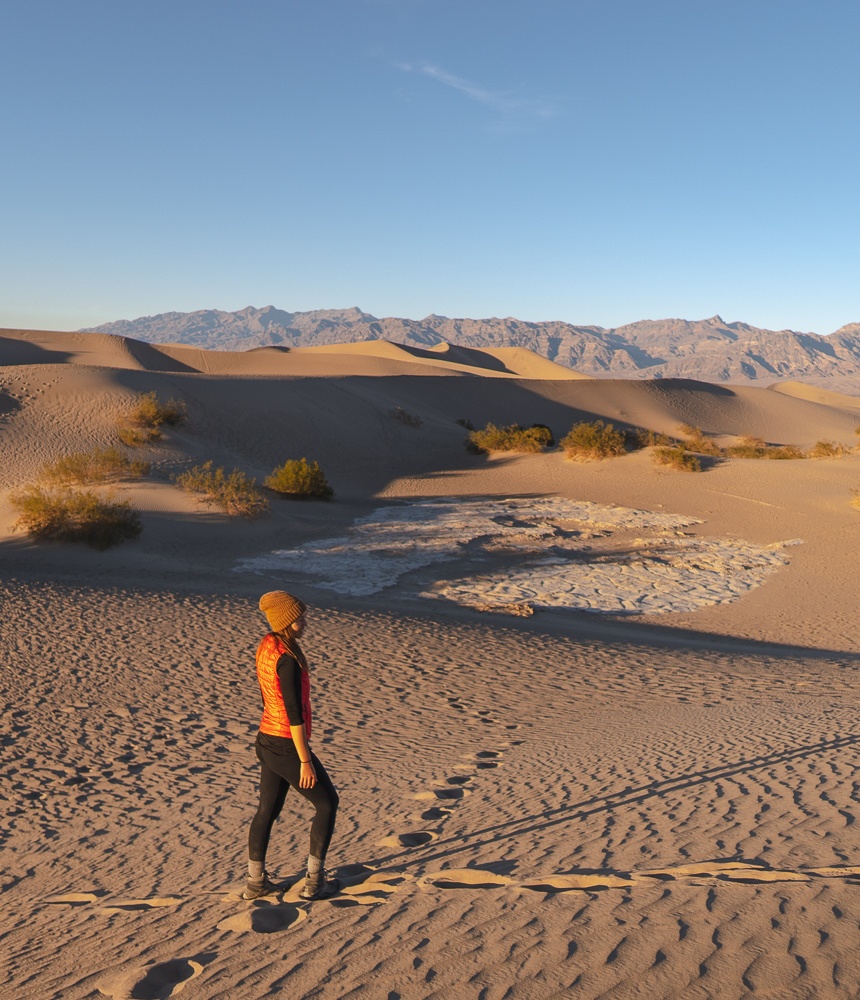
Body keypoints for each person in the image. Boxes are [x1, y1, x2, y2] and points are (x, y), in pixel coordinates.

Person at [243, 590, 340, 901]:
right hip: (285, 744)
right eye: (299, 619)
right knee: (327, 804)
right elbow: (294, 713)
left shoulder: (267, 646)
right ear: (285, 622)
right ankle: (315, 882)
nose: (304, 623)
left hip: (266, 739)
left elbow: (266, 698)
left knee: (267, 811)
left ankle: (256, 882)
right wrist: (305, 760)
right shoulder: (287, 660)